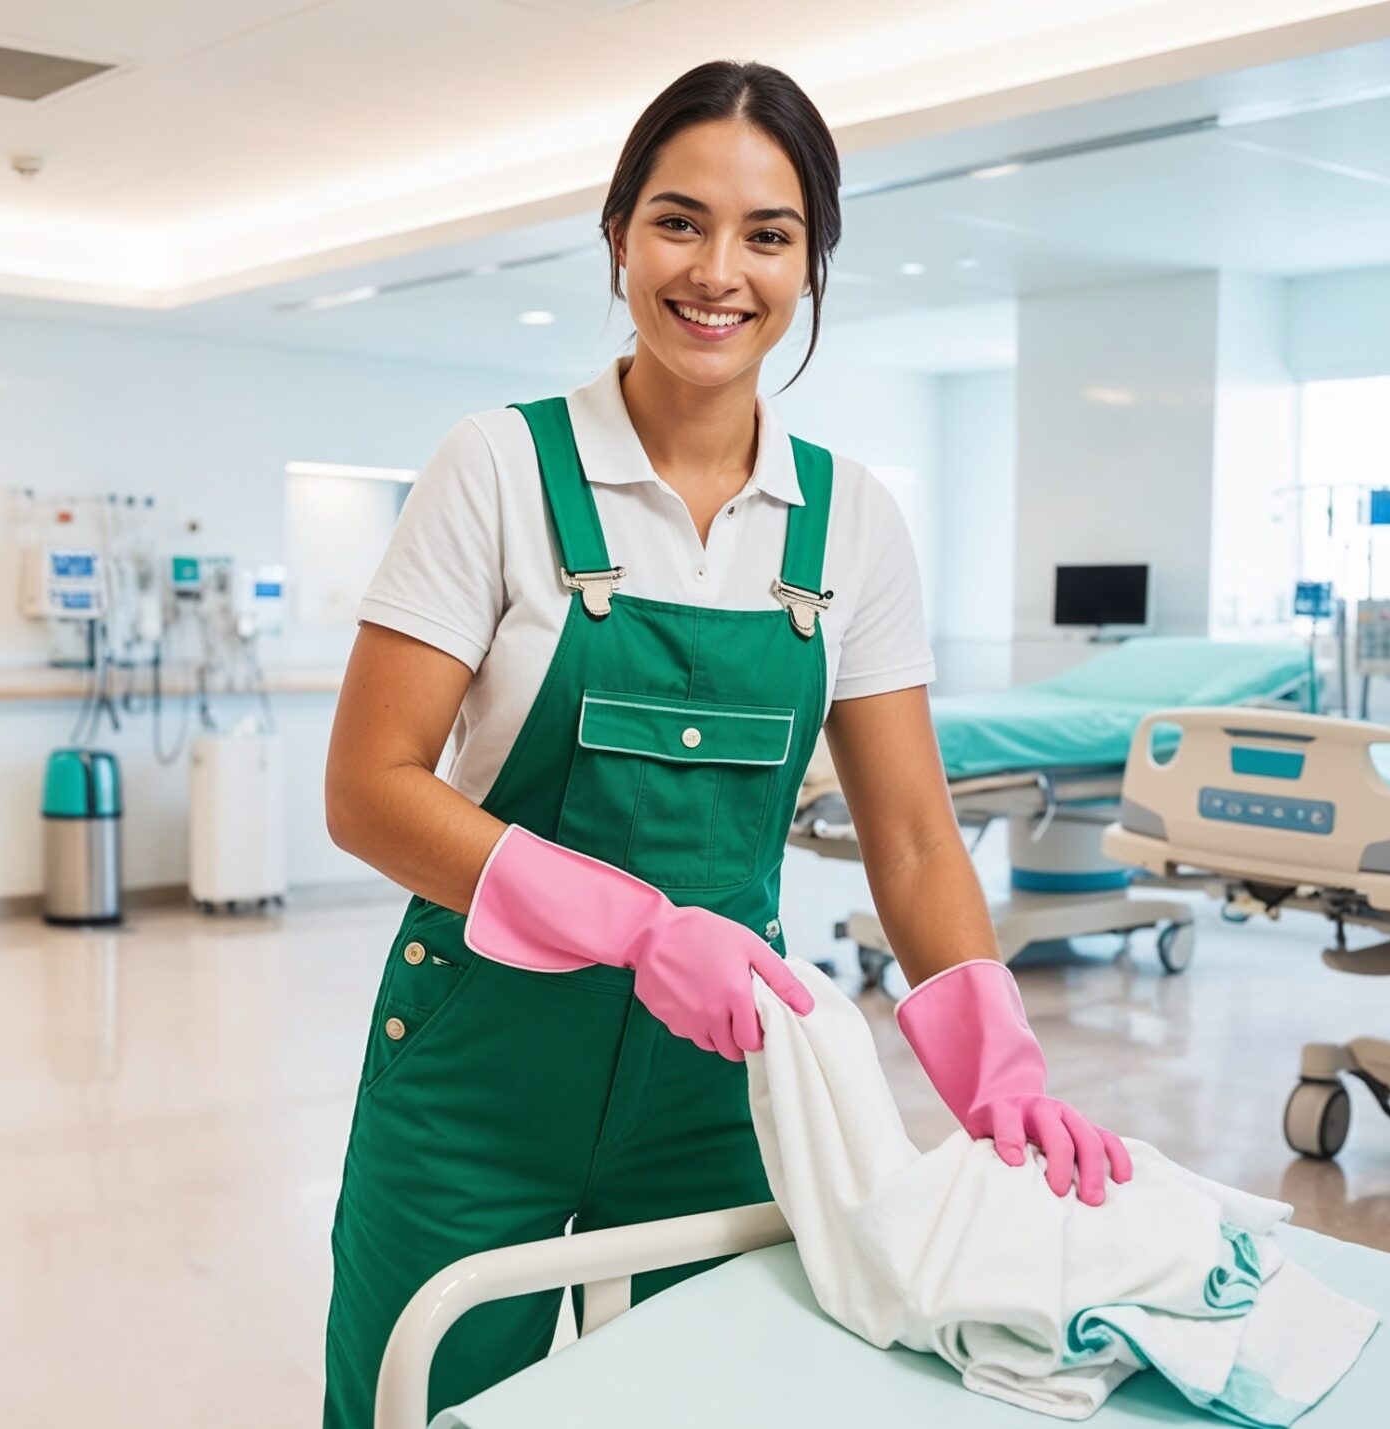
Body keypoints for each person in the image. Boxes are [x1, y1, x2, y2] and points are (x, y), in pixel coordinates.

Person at [318, 59, 1130, 1428]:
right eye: (679, 221)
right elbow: (369, 789)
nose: (719, 271)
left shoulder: (848, 519)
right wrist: (636, 927)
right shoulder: (500, 468)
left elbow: (919, 838)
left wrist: (998, 1069)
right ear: (620, 235)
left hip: (725, 1084)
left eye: (770, 234)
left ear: (811, 263)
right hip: (475, 1076)